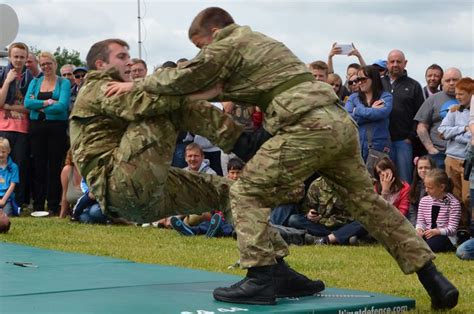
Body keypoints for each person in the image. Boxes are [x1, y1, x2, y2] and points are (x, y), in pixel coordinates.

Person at [106, 7, 459, 308]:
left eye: (200, 45)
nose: (200, 51)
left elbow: (190, 73)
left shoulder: (229, 41)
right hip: (337, 123)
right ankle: (433, 279)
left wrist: (136, 85)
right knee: (369, 204)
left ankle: (261, 276)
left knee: (244, 192)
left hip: (306, 126)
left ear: (214, 32)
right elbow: (211, 87)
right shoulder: (263, 46)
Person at [70, 38, 244, 225]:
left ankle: (267, 247)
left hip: (142, 195)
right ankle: (242, 142)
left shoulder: (109, 90)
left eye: (129, 56)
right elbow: (145, 102)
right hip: (120, 184)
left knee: (229, 191)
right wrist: (199, 88)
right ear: (101, 64)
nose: (129, 61)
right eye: (121, 57)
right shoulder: (98, 87)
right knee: (165, 104)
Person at [315, 157, 410, 245]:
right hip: (376, 226)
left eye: (385, 170)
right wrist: (384, 191)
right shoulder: (376, 187)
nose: (383, 174)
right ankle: (355, 239)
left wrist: (385, 192)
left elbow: (401, 213)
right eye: (380, 172)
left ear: (392, 169)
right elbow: (373, 210)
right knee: (366, 220)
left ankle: (328, 239)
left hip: (393, 225)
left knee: (370, 221)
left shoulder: (405, 188)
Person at [24, 51, 70, 215]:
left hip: (56, 128)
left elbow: (62, 106)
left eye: (48, 63)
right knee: (38, 166)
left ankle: (52, 205)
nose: (45, 67)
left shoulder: (63, 83)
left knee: (54, 166)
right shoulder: (35, 82)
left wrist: (40, 107)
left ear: (55, 64)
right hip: (37, 127)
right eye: (42, 64)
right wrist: (46, 102)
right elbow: (27, 103)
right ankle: (37, 206)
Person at [171, 157, 245, 237]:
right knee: (206, 224)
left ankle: (217, 230)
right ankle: (191, 230)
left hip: (234, 220)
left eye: (238, 173)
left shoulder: (246, 188)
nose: (235, 176)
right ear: (228, 174)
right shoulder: (223, 186)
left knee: (228, 227)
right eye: (232, 172)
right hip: (219, 217)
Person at [382, 49, 424, 183]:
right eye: (392, 61)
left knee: (404, 180)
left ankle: (405, 205)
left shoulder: (414, 86)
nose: (395, 64)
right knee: (382, 179)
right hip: (381, 140)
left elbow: (420, 115)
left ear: (405, 63)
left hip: (403, 141)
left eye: (398, 61)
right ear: (387, 64)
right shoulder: (378, 83)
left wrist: (410, 137)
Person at [0, 42, 34, 208]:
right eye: (16, 56)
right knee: (1, 165)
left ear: (27, 58)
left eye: (22, 57)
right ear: (10, 57)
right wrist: (7, 82)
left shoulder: (31, 79)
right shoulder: (2, 74)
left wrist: (10, 107)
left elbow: (30, 107)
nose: (19, 60)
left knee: (20, 166)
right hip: (3, 127)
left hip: (22, 128)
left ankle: (18, 202)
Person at [438, 77, 473, 227]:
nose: (457, 97)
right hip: (451, 158)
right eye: (456, 94)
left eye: (461, 94)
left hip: (468, 160)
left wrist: (458, 137)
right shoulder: (453, 111)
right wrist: (463, 129)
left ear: (471, 94)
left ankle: (471, 226)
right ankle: (460, 228)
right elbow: (442, 131)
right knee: (454, 196)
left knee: (468, 196)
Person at [415, 68, 462, 169]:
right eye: (448, 80)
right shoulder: (433, 99)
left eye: (455, 80)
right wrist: (430, 148)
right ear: (442, 82)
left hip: (463, 154)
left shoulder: (470, 99)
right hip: (439, 153)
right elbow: (421, 127)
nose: (452, 83)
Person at [344, 65, 393, 162]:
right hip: (356, 148)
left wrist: (357, 111)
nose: (360, 82)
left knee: (378, 177)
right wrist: (372, 110)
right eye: (358, 79)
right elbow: (347, 118)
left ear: (374, 79)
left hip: (379, 148)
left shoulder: (386, 97)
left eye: (363, 79)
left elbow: (381, 113)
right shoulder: (353, 98)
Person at [416, 169, 461, 253]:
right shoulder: (424, 201)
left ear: (441, 187)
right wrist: (419, 229)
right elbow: (421, 221)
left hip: (445, 236)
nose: (426, 190)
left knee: (430, 246)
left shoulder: (453, 203)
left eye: (430, 188)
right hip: (428, 233)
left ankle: (449, 247)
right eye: (425, 186)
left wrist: (438, 231)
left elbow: (452, 229)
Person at [408, 155, 436, 226]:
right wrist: (416, 227)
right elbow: (412, 211)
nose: (423, 170)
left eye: (426, 168)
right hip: (419, 226)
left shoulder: (438, 187)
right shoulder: (415, 186)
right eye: (420, 168)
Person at [59, 149, 83, 218]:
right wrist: (61, 216)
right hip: (78, 210)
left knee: (94, 212)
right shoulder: (67, 170)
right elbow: (64, 196)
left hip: (92, 207)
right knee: (83, 217)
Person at [0, 137, 19, 216]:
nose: (1, 154)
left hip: (7, 199)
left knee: (5, 215)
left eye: (3, 152)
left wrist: (3, 200)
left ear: (9, 151)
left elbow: (12, 185)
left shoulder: (14, 167)